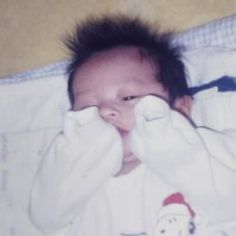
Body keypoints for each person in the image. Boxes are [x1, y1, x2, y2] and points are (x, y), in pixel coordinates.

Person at [29, 16, 236, 236]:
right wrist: (77, 152)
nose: (105, 111)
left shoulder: (205, 153)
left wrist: (170, 141)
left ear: (182, 108)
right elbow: (45, 219)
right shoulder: (77, 182)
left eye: (128, 97)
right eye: (87, 108)